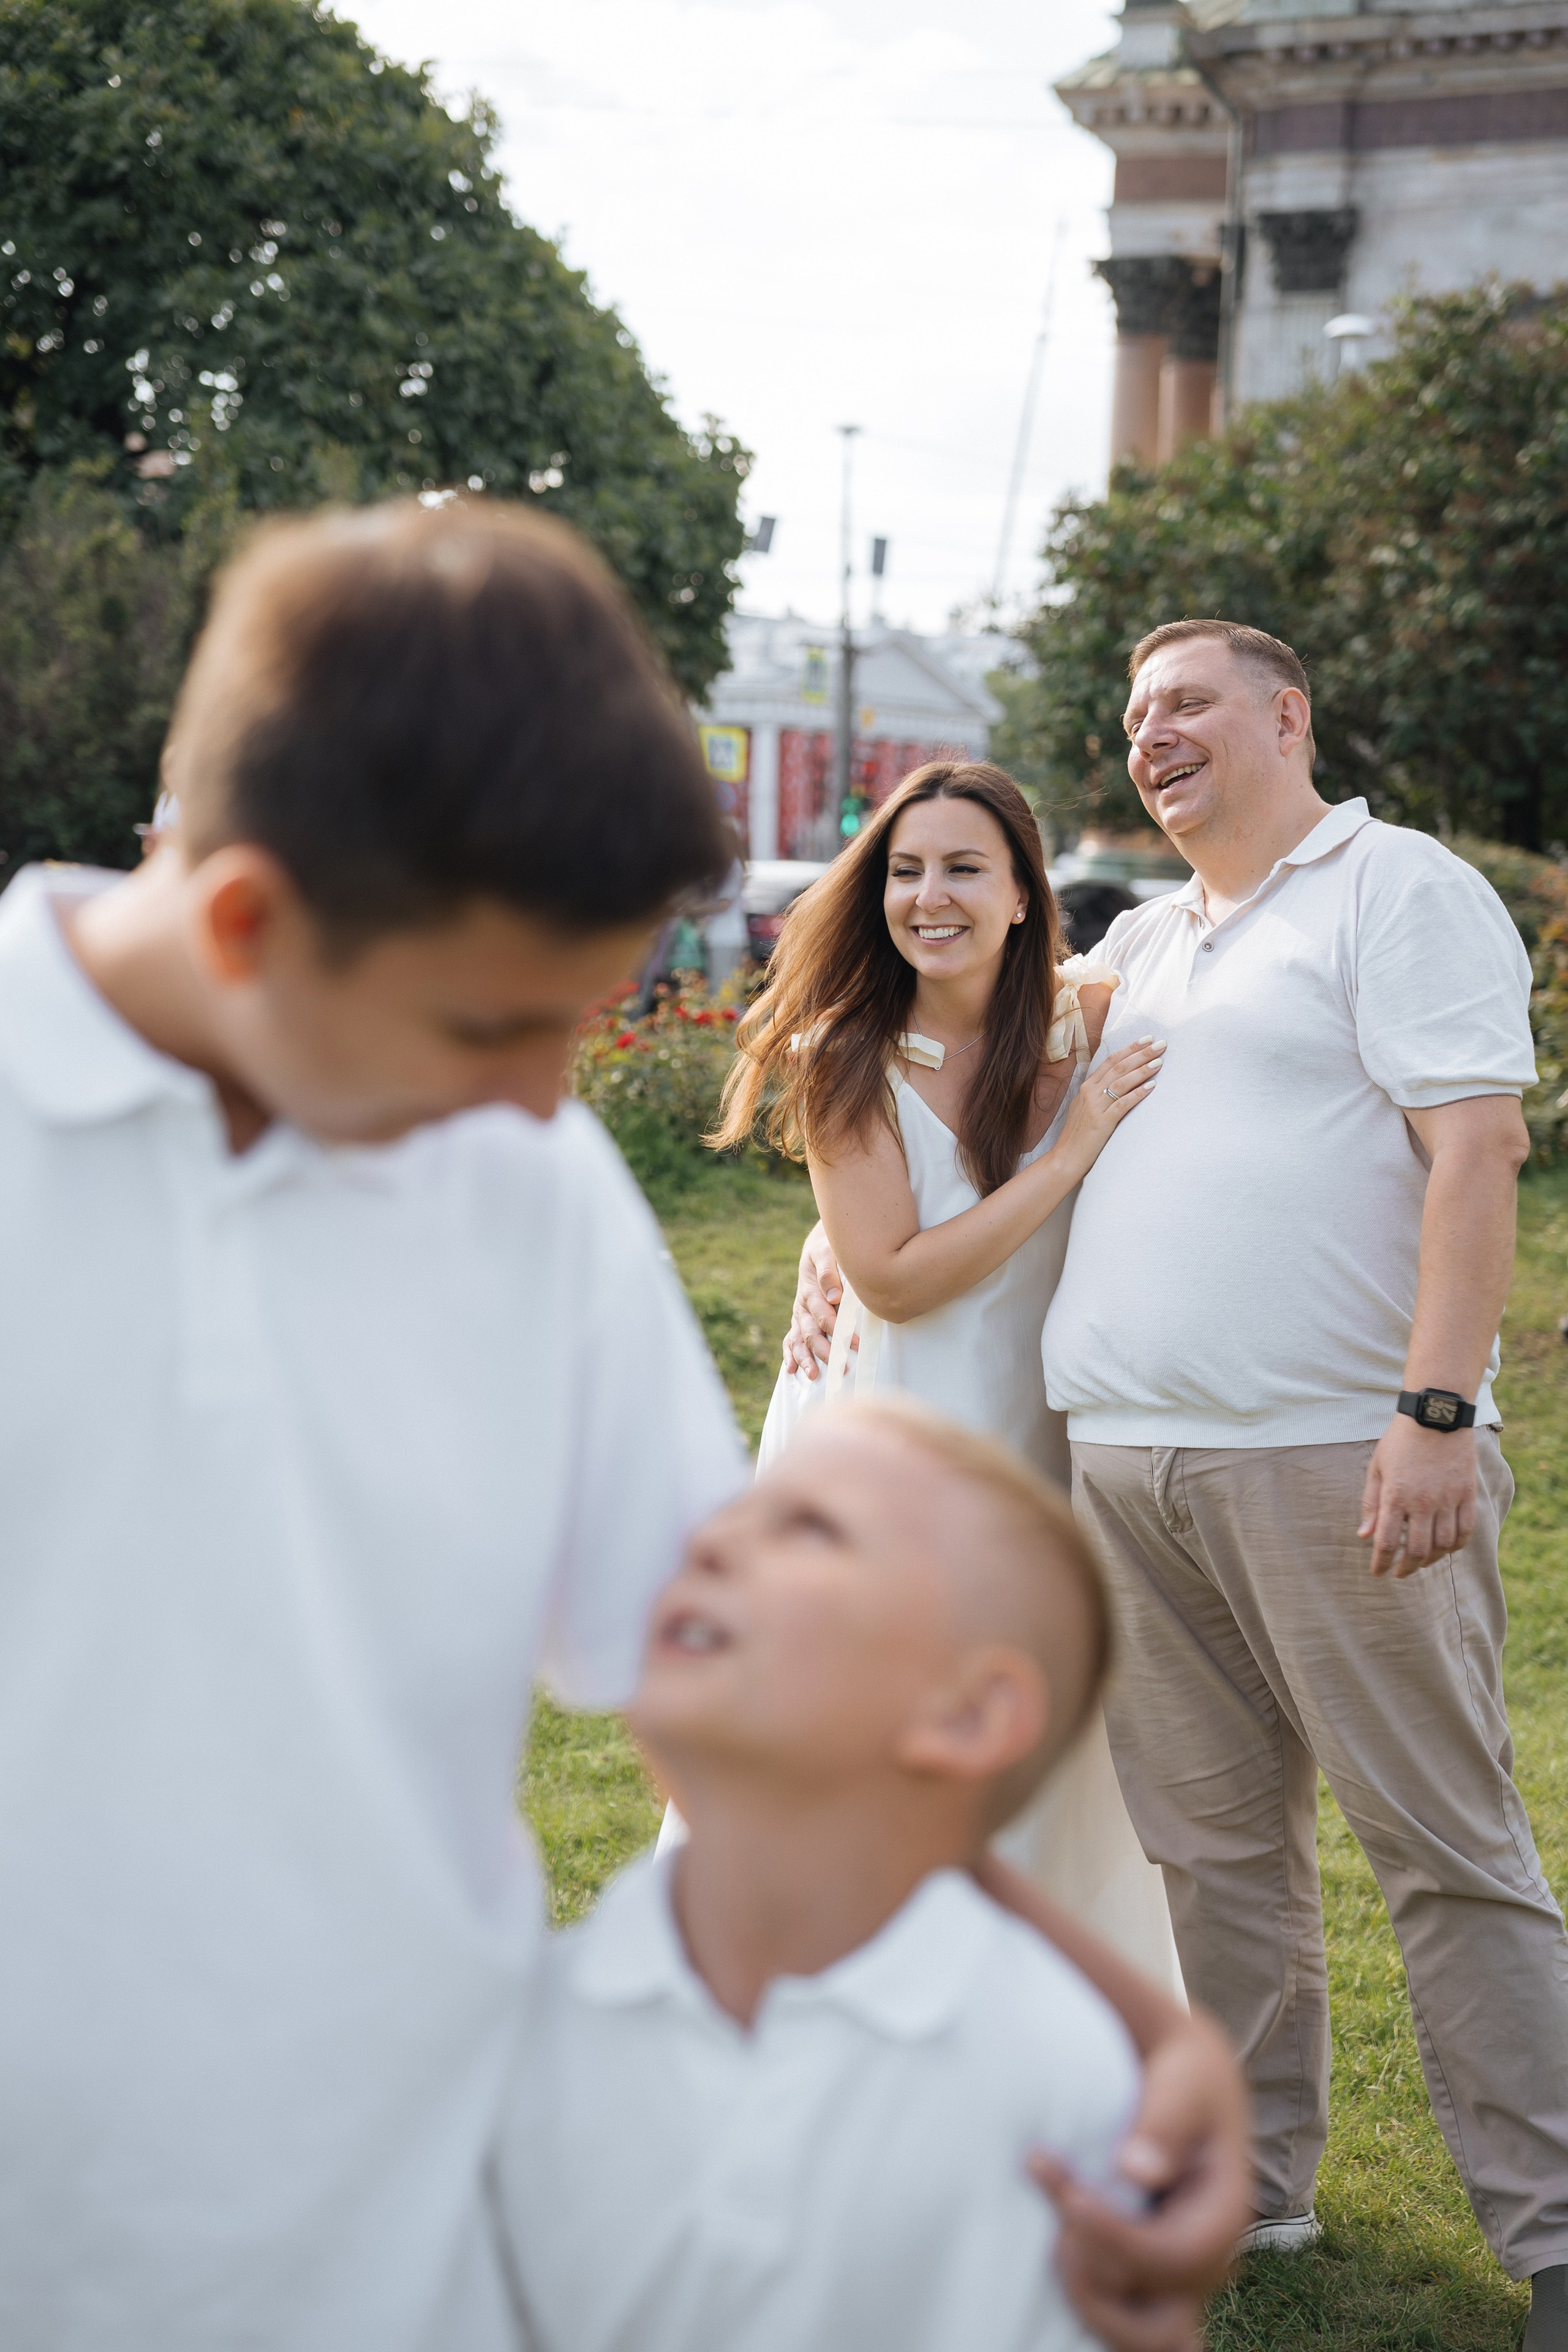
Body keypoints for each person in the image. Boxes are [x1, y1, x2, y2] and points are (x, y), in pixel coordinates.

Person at [0, 500, 1243, 2352]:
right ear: (250, 927)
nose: (545, 1101)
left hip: (412, 2239)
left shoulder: (530, 1190)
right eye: (493, 1024)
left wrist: (1144, 2038)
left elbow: (755, 1689)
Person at [790, 621, 1568, 2348]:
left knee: (1443, 1850)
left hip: (1331, 1449)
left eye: (1189, 703)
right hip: (1124, 1466)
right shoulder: (1143, 942)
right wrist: (834, 1248)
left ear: (1286, 715)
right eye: (1138, 714)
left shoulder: (1396, 889)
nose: (1153, 734)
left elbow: (1478, 1149)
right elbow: (945, 1045)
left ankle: (1555, 2237)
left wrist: (1435, 1411)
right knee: (1212, 1861)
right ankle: (1257, 2190)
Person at [486, 1400, 1240, 2352]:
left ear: (965, 1714)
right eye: (736, 1512)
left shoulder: (1052, 2085)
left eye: (808, 1527)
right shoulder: (527, 2024)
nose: (705, 1542)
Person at [722, 761, 1181, 1994]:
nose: (930, 896)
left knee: (1047, 1743)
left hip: (1040, 1434)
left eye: (965, 868)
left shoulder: (1086, 1017)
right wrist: (1066, 1157)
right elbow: (893, 1279)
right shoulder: (846, 1055)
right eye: (906, 870)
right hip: (897, 1438)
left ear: (1026, 892)